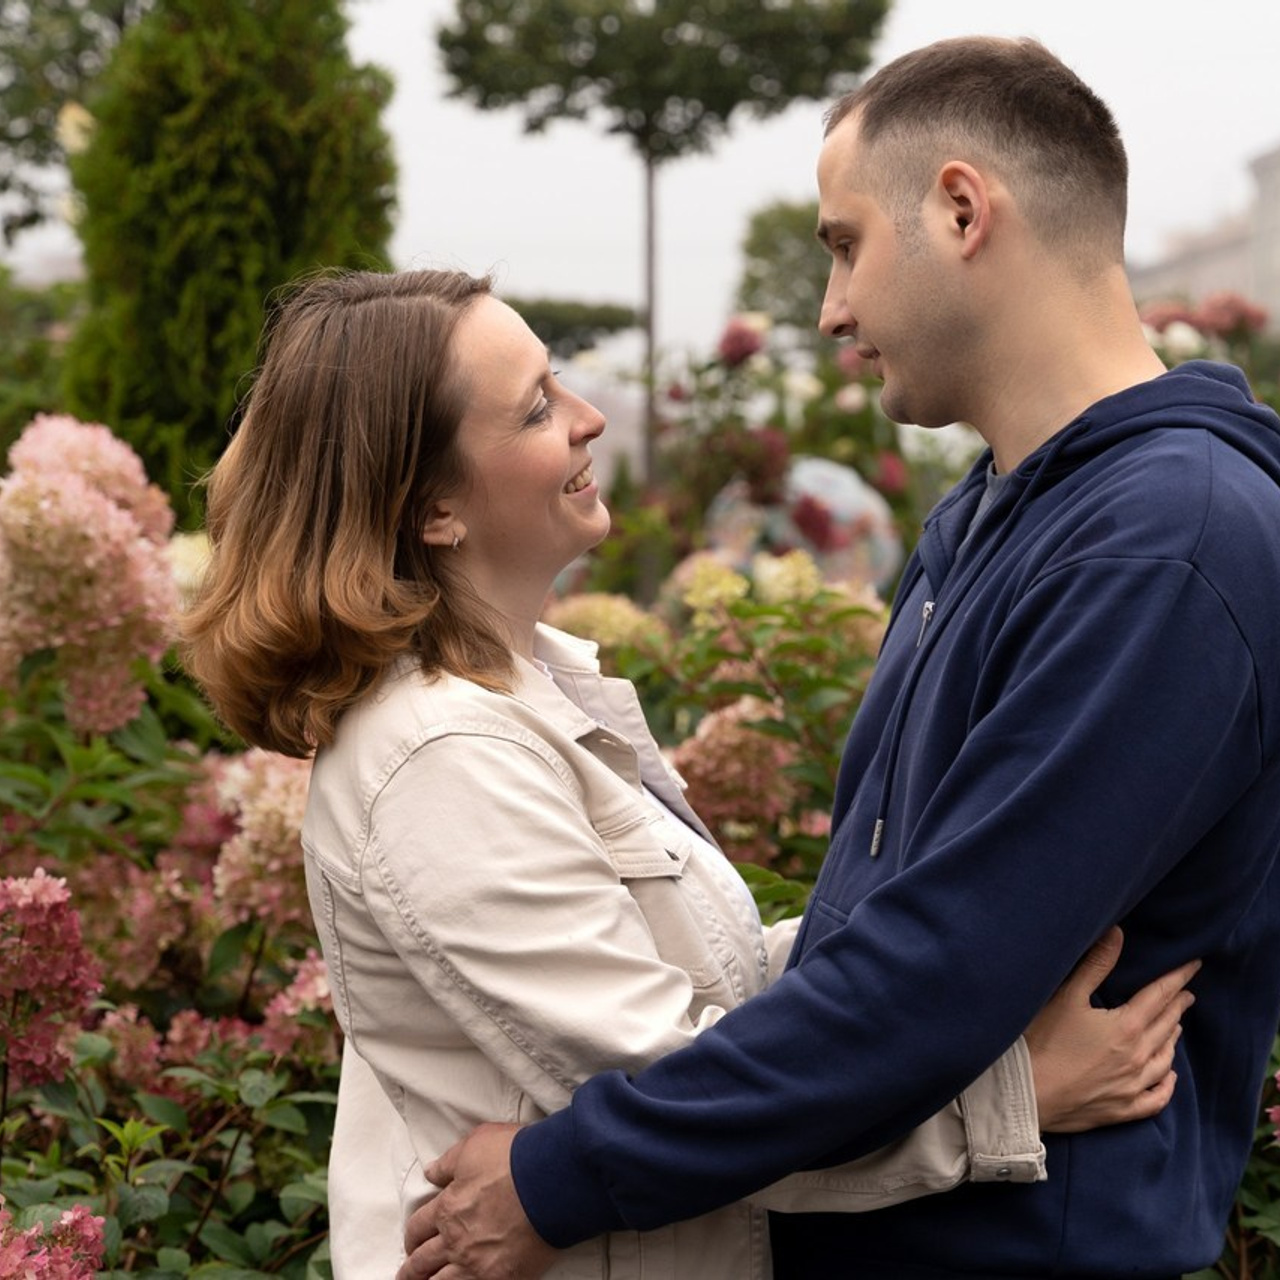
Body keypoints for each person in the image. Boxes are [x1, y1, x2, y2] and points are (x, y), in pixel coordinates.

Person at [400, 35, 1280, 1280]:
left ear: (962, 210)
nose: (828, 310)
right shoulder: (999, 513)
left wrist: (558, 1174)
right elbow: (868, 934)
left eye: (843, 244)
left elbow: (920, 976)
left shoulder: (1159, 544)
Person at [178, 266, 1192, 1280]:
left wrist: (962, 949)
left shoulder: (534, 690)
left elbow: (711, 976)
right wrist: (1017, 1095)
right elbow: (673, 1077)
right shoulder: (442, 758)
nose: (585, 420)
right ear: (433, 507)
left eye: (559, 382)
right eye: (535, 409)